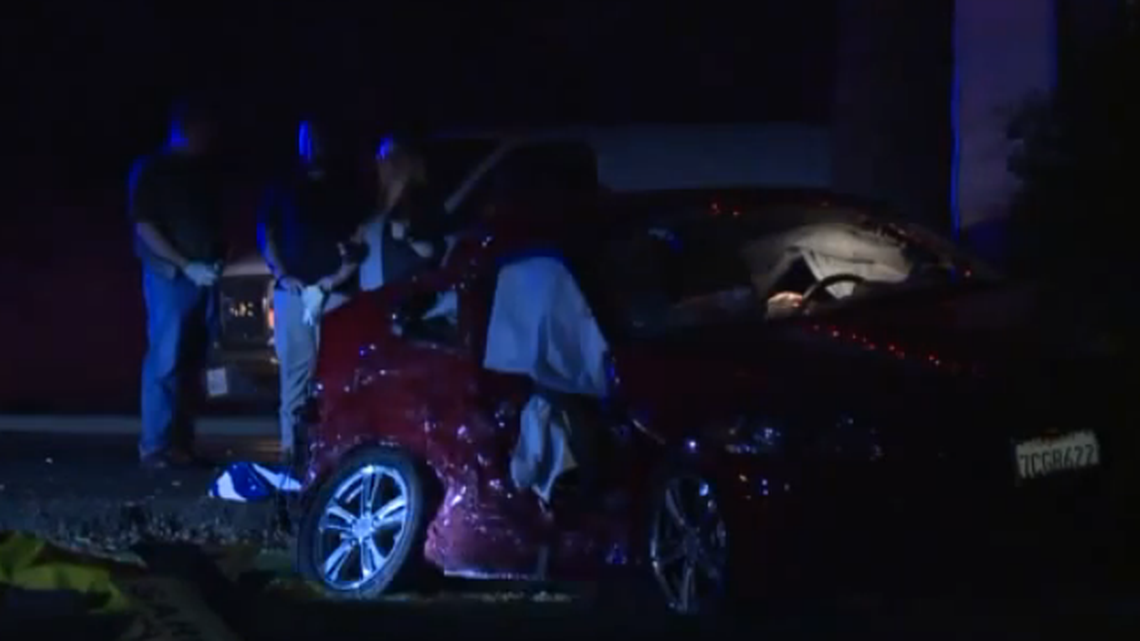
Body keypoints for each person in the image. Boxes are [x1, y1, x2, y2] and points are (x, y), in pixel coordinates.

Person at [257, 120, 369, 467]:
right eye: (307, 139)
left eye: (319, 138)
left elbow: (360, 241)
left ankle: (334, 451)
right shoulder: (283, 185)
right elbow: (267, 231)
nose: (314, 146)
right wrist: (282, 273)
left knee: (338, 373)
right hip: (293, 292)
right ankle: (292, 451)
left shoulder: (348, 185)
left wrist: (334, 281)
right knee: (295, 375)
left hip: (335, 293)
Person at [129, 99, 226, 470]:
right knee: (166, 359)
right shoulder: (154, 169)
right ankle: (154, 446)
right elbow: (145, 226)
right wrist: (186, 265)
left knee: (191, 363)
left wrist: (216, 259)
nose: (210, 137)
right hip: (170, 278)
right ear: (186, 128)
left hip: (204, 277)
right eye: (203, 128)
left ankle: (179, 444)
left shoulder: (203, 171)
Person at [357, 134, 449, 291]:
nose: (380, 162)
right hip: (375, 298)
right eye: (379, 156)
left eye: (385, 156)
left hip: (407, 300)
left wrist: (408, 236)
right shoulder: (379, 205)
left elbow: (435, 249)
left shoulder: (422, 202)